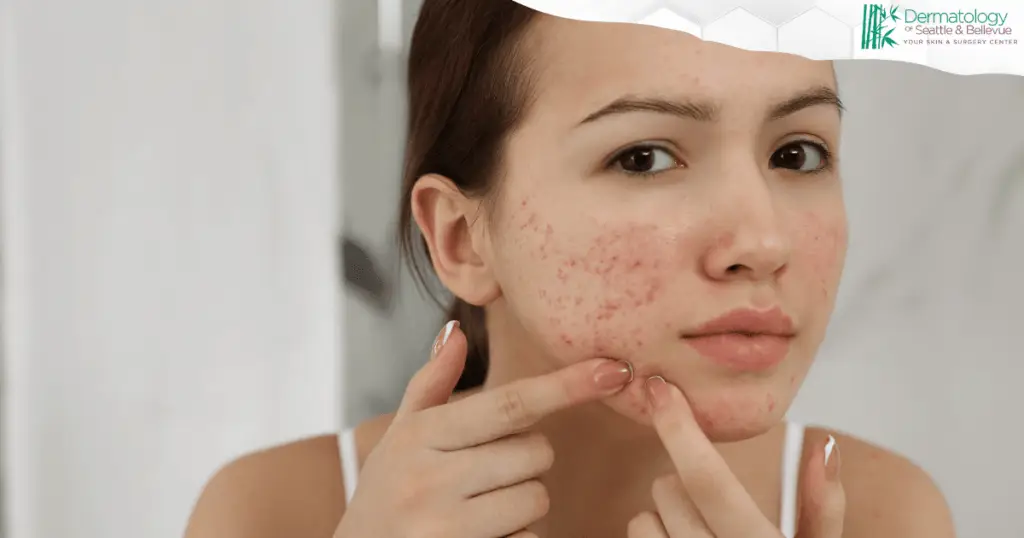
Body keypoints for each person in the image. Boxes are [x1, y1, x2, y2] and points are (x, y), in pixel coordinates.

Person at [184, 1, 957, 537]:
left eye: (797, 153)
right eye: (645, 157)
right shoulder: (274, 515)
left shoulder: (885, 514)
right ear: (461, 239)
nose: (762, 241)